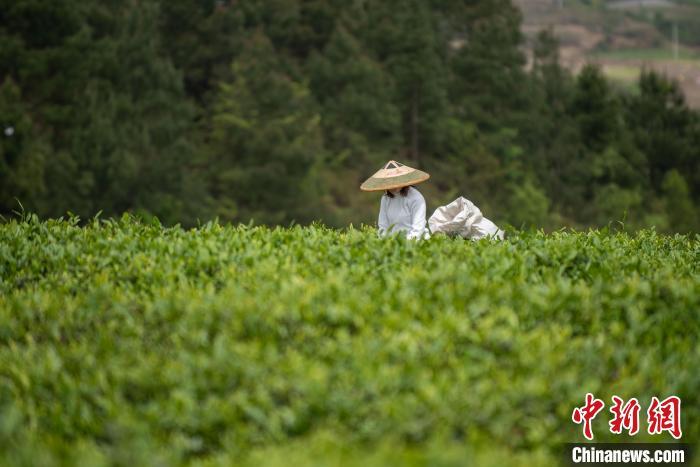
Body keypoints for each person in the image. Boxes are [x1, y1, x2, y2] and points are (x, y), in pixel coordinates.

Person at [360, 160, 431, 240]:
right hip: (396, 244)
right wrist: (386, 244)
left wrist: (405, 245)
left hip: (418, 243)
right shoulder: (385, 199)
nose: (393, 185)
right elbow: (383, 227)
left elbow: (418, 229)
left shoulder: (416, 198)